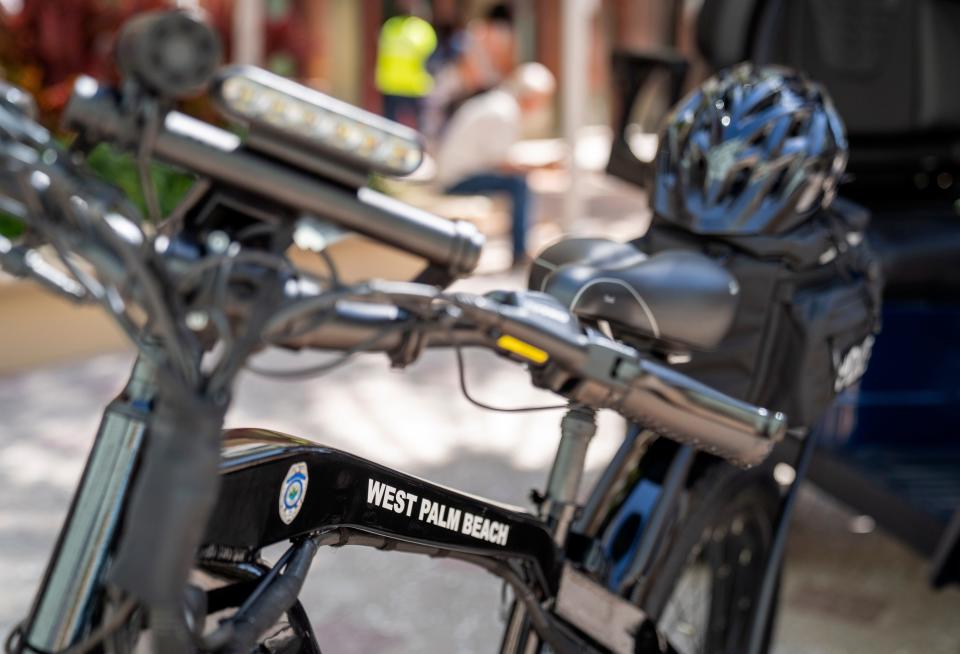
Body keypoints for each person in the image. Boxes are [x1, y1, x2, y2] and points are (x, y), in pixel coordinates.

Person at [434, 62, 556, 267]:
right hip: (458, 178)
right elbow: (502, 163)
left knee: (518, 182)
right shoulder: (502, 112)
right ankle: (519, 253)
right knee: (519, 184)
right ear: (530, 97)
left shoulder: (499, 105)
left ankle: (520, 248)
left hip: (462, 172)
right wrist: (542, 167)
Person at [375, 10, 437, 128]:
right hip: (406, 87)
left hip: (400, 87)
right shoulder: (421, 29)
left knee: (393, 126)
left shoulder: (390, 26)